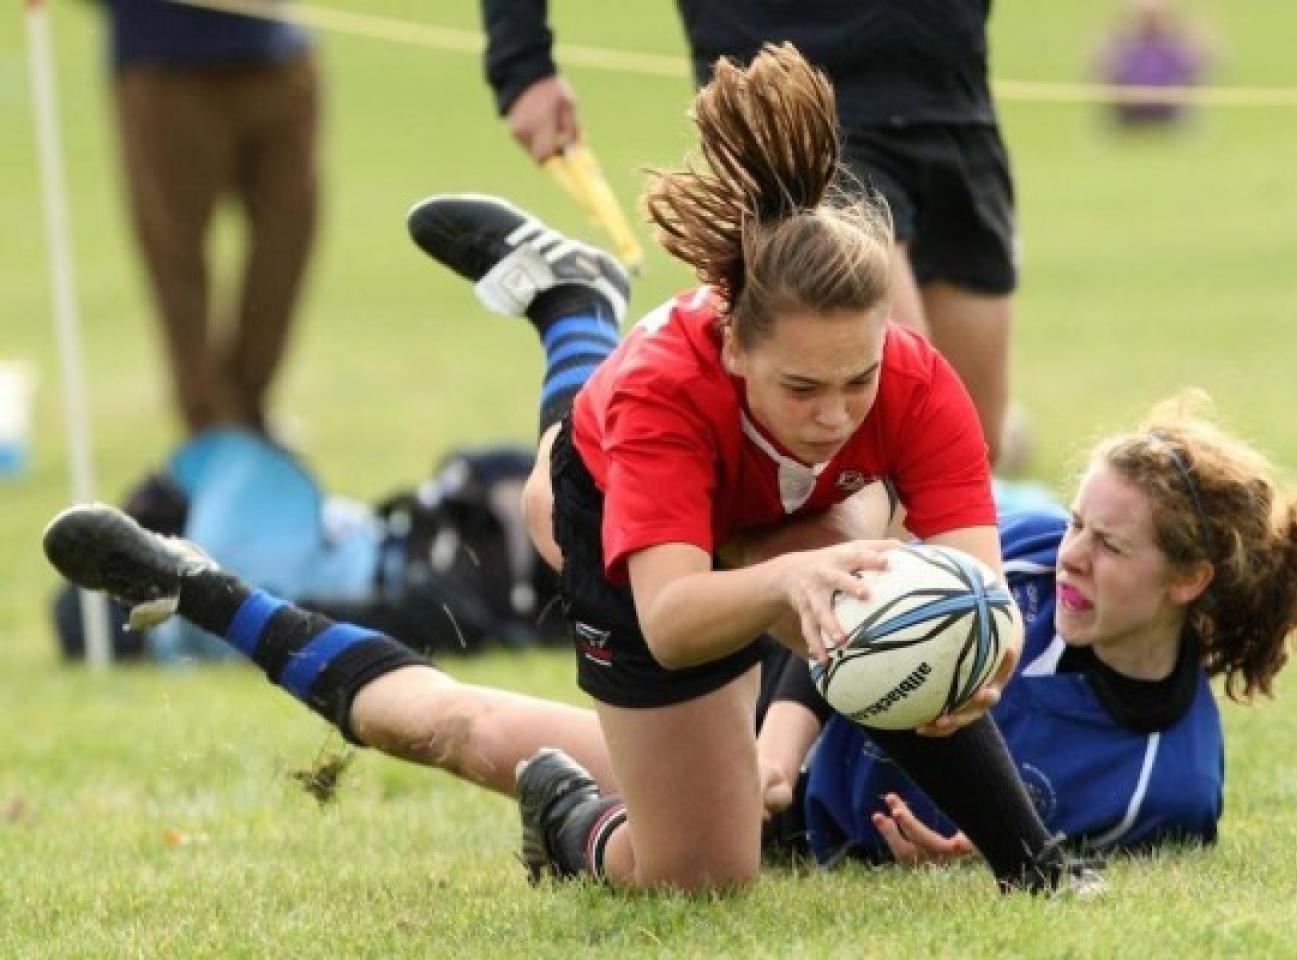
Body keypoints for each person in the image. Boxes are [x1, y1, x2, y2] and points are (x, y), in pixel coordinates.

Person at [45, 45, 1098, 897]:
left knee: (862, 574)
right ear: (732, 340)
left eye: (854, 384)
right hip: (635, 527)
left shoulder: (908, 378)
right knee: (686, 867)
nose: (833, 416)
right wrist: (789, 587)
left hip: (737, 522)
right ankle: (199, 586)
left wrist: (982, 646)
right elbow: (677, 615)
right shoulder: (667, 389)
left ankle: (1037, 871)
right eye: (800, 389)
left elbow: (972, 580)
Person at [755, 395, 1297, 864]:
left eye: (1111, 546)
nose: (1073, 556)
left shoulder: (1170, 785)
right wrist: (777, 751)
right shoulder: (1024, 553)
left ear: (1188, 580)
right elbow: (849, 600)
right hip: (753, 699)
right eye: (1078, 524)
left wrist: (969, 853)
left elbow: (1029, 846)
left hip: (795, 830)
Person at [481, 0, 1020, 466]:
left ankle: (580, 315)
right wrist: (522, 63)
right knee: (893, 428)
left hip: (954, 98)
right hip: (794, 110)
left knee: (969, 445)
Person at [102, 0, 321, 434]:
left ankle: (249, 404)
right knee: (175, 250)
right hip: (164, 63)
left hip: (277, 53)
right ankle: (208, 421)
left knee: (288, 233)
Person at [1094, 0, 1213, 130]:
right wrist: (1113, 27)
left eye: (1155, 16)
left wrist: (1187, 23)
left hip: (1167, 110)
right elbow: (1099, 65)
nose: (1150, 21)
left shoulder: (1174, 44)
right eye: (1145, 16)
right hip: (1131, 110)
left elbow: (1207, 61)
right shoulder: (1126, 43)